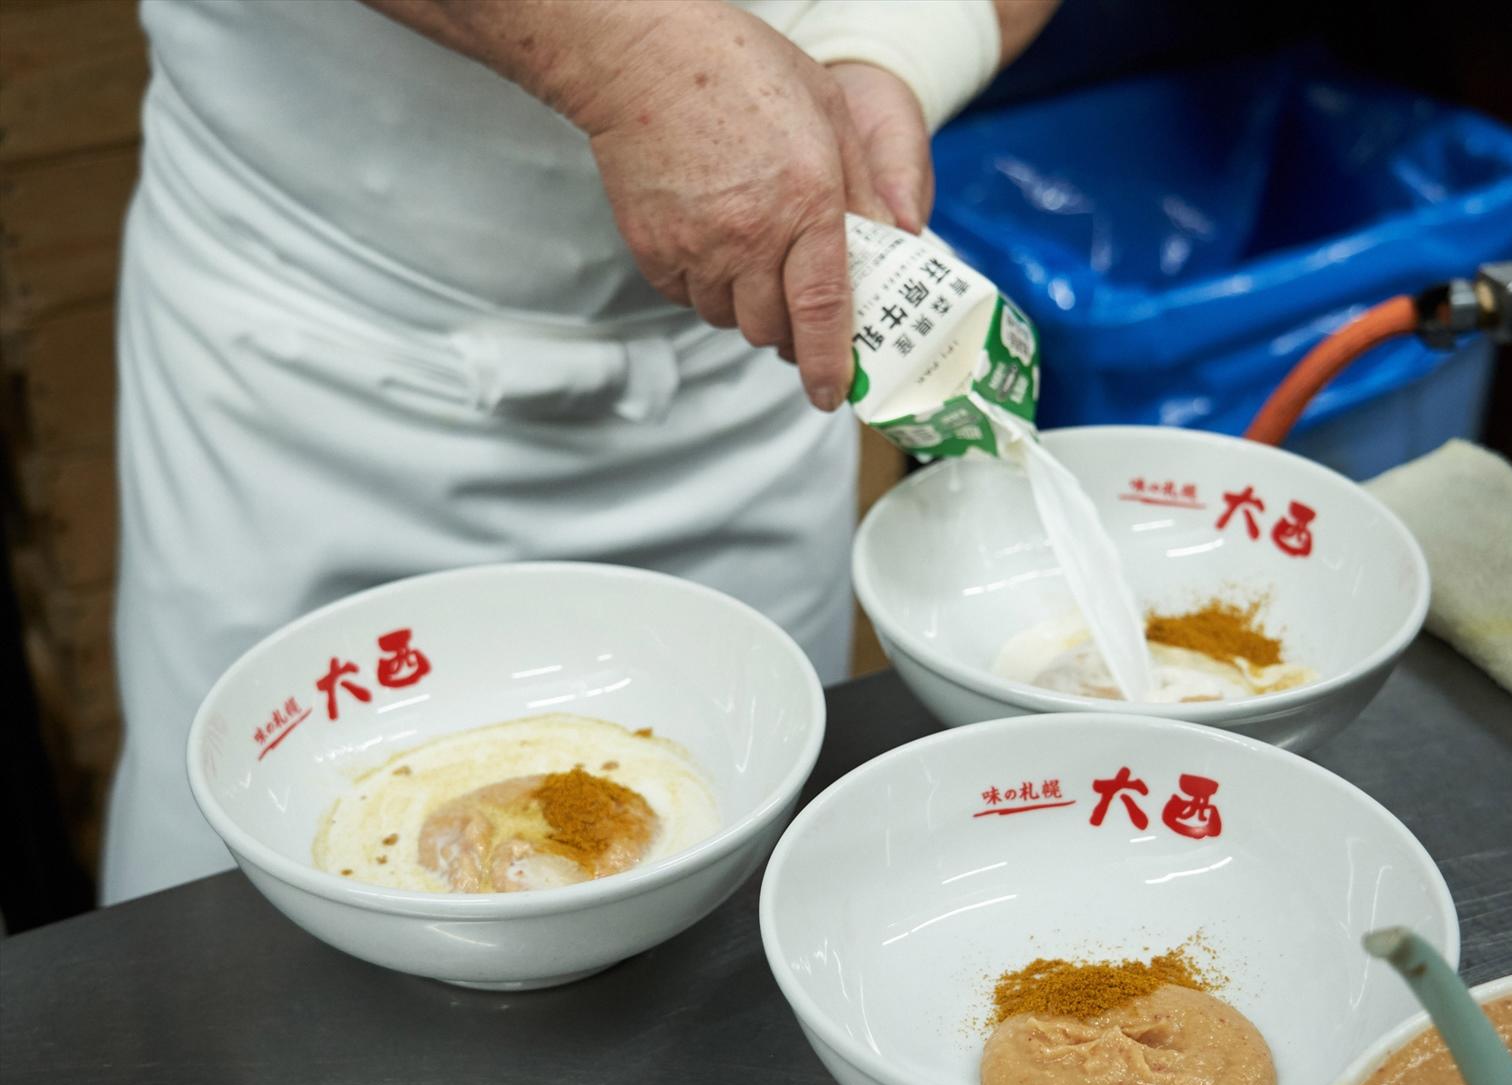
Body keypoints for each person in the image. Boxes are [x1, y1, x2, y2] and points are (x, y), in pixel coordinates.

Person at [102, 0, 1057, 904]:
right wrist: (629, 54)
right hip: (321, 350)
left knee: (734, 906)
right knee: (236, 913)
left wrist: (885, 46)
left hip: (744, 350)